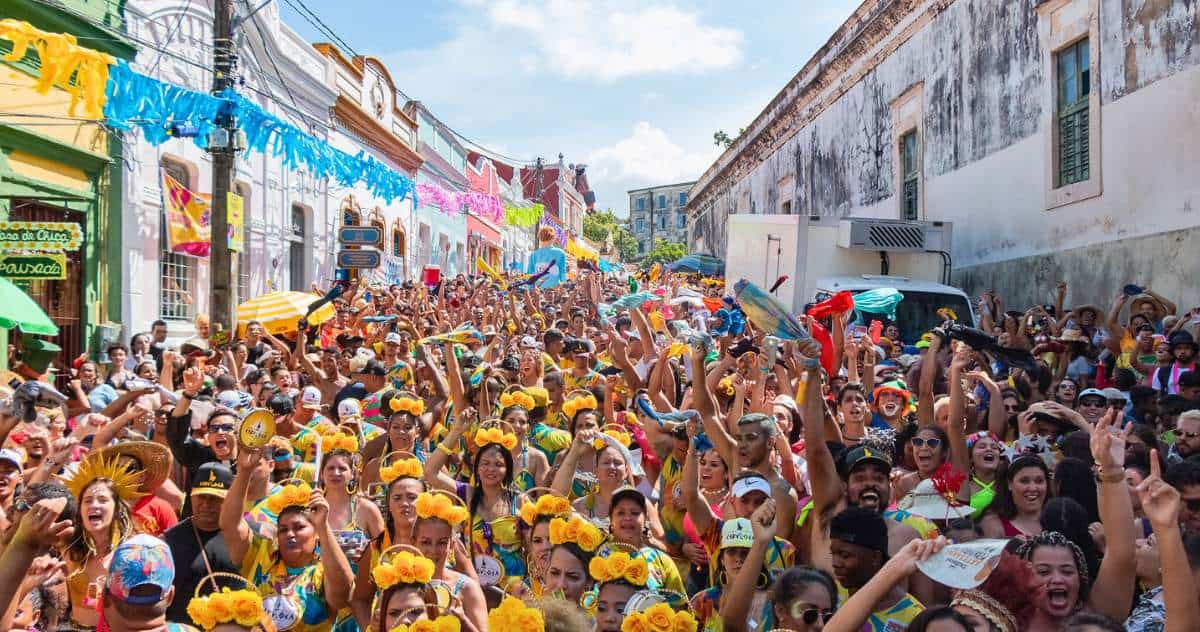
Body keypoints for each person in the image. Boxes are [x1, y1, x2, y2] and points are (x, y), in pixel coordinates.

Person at [221, 448, 355, 632]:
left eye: (299, 528)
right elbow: (230, 524)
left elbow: (343, 593)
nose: (290, 534)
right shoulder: (262, 555)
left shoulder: (323, 570)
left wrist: (323, 526)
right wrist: (244, 471)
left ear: (316, 534)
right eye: (283, 530)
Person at [163, 463, 238, 626]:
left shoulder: (245, 536)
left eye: (215, 498)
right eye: (201, 496)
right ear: (191, 496)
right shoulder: (168, 540)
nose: (206, 503)